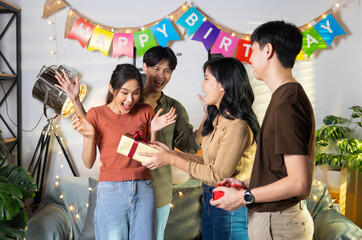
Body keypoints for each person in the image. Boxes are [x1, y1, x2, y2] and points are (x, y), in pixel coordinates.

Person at [55, 46, 203, 240]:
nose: (129, 99)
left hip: (150, 188)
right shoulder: (112, 107)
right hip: (114, 188)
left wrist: (157, 130)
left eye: (167, 71)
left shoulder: (156, 110)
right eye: (157, 68)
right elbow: (95, 132)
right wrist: (75, 100)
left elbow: (176, 148)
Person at [210, 21, 315, 240]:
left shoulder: (288, 104)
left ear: (268, 50)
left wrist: (245, 197)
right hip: (275, 221)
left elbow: (299, 182)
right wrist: (247, 183)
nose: (249, 58)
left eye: (253, 50)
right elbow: (281, 170)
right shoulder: (283, 98)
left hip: (279, 223)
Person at [141, 57, 260, 240]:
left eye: (206, 79)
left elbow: (217, 174)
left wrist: (172, 159)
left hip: (230, 207)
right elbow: (208, 161)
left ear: (222, 85)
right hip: (212, 200)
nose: (202, 85)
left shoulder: (237, 126)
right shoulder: (219, 120)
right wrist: (171, 153)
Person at [70, 63, 176, 240]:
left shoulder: (146, 111)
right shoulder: (96, 115)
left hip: (144, 189)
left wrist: (154, 130)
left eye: (136, 93)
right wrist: (90, 137)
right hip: (111, 191)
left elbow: (150, 158)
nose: (130, 99)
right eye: (125, 93)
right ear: (112, 88)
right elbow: (88, 163)